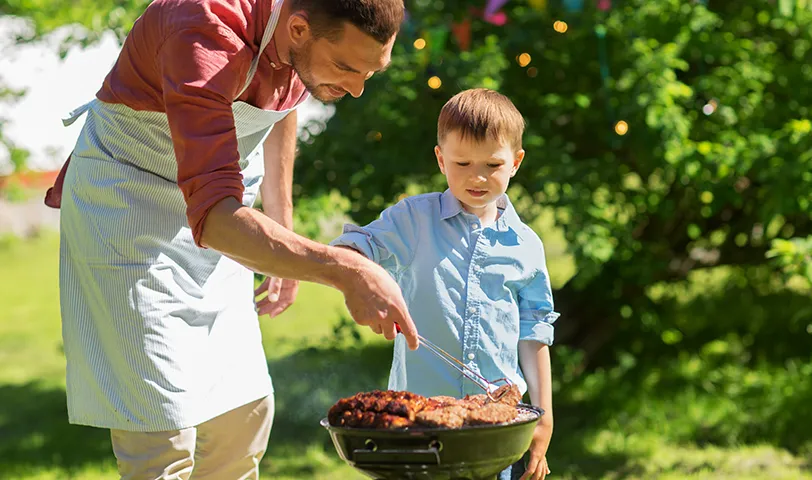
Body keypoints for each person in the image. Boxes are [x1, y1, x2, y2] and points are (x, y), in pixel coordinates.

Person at [43, 0, 419, 478]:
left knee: (244, 419)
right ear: (299, 28)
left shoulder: (295, 37)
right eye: (346, 67)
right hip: (130, 212)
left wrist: (282, 233)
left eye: (371, 71)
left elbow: (287, 97)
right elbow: (217, 219)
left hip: (220, 207)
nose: (356, 89)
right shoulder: (203, 32)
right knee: (162, 435)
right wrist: (347, 269)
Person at [330, 88, 558, 480]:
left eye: (492, 163)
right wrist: (356, 272)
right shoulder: (414, 220)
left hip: (496, 430)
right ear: (441, 159)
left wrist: (544, 418)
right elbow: (359, 246)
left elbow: (534, 333)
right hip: (418, 426)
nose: (478, 176)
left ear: (516, 162)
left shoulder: (526, 246)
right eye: (462, 162)